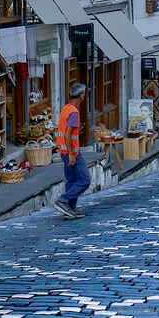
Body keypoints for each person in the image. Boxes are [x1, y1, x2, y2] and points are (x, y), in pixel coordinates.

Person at [53, 83, 91, 219]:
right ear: (81, 97)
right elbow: (68, 134)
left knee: (72, 180)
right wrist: (71, 154)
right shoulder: (74, 112)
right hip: (72, 153)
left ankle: (69, 209)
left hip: (63, 151)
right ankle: (63, 200)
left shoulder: (66, 109)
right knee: (85, 180)